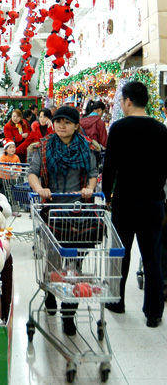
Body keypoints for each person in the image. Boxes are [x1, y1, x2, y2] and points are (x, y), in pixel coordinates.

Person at [28, 105, 98, 336]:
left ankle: (69, 313)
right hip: (52, 212)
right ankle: (50, 292)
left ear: (77, 126)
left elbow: (93, 174)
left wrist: (89, 188)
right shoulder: (44, 147)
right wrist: (40, 189)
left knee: (74, 266)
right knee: (53, 261)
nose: (61, 125)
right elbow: (33, 172)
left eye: (67, 122)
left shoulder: (87, 147)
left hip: (79, 213)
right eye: (58, 121)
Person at [102, 81, 167, 327]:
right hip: (153, 201)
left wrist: (106, 195)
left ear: (128, 101)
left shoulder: (119, 128)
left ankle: (116, 301)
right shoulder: (161, 129)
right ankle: (154, 312)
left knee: (121, 252)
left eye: (121, 101)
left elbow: (110, 166)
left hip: (125, 201)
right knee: (151, 257)